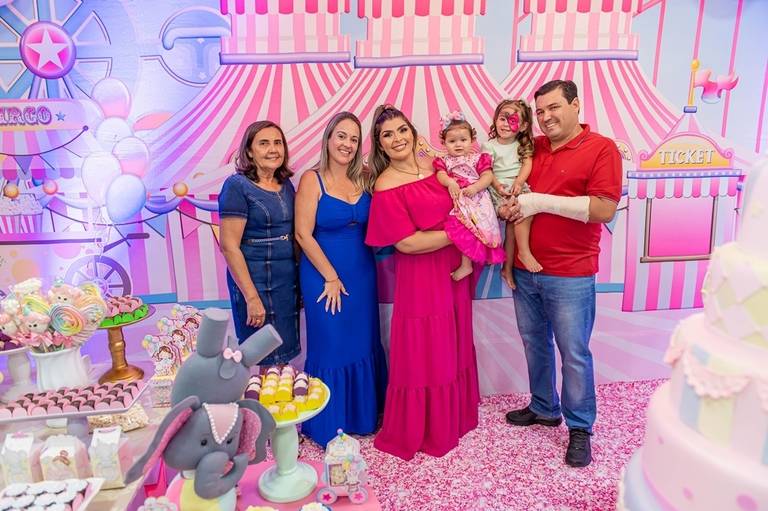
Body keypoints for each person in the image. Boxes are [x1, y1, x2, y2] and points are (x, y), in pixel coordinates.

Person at [499, 80, 622, 467]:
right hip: (525, 270)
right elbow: (509, 189)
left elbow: (603, 209)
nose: (546, 117)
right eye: (540, 111)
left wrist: (538, 201)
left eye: (554, 107)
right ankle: (543, 406)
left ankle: (580, 426)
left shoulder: (601, 148)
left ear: (575, 105)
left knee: (573, 352)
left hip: (571, 272)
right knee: (534, 343)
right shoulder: (531, 148)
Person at [365, 104, 480, 461]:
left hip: (454, 269)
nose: (397, 138)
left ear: (413, 133)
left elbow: (467, 200)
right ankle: (427, 426)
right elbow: (406, 243)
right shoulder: (386, 184)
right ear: (380, 144)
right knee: (426, 346)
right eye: (387, 135)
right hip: (420, 277)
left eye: (402, 130)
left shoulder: (436, 166)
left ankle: (455, 416)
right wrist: (457, 232)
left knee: (454, 338)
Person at [295, 111, 388, 447]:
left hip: (362, 274)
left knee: (363, 342)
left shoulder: (365, 178)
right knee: (331, 346)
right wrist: (331, 277)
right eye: (342, 136)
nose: (347, 144)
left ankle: (363, 417)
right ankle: (328, 422)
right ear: (328, 139)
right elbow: (302, 234)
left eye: (354, 138)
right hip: (323, 277)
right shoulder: (312, 179)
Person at [218, 120, 300, 365]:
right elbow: (229, 246)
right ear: (249, 151)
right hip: (255, 280)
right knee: (263, 356)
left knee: (283, 355)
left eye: (278, 143)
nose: (273, 149)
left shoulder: (286, 185)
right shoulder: (237, 186)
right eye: (264, 143)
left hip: (286, 281)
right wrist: (251, 297)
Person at [433, 112, 504, 281]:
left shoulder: (478, 158)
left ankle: (471, 263)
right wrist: (450, 182)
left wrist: (475, 187)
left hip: (477, 199)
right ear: (443, 142)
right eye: (452, 141)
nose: (458, 144)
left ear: (472, 140)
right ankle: (466, 264)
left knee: (478, 228)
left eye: (463, 140)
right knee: (462, 228)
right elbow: (440, 175)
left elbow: (487, 176)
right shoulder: (444, 160)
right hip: (460, 199)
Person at [480, 99, 539, 285]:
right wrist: (498, 186)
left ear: (523, 126)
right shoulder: (489, 146)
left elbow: (527, 164)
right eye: (502, 118)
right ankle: (508, 261)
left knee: (521, 216)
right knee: (509, 214)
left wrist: (519, 182)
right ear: (495, 119)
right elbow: (487, 170)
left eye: (512, 120)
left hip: (518, 187)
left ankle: (512, 263)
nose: (505, 124)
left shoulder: (522, 145)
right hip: (497, 189)